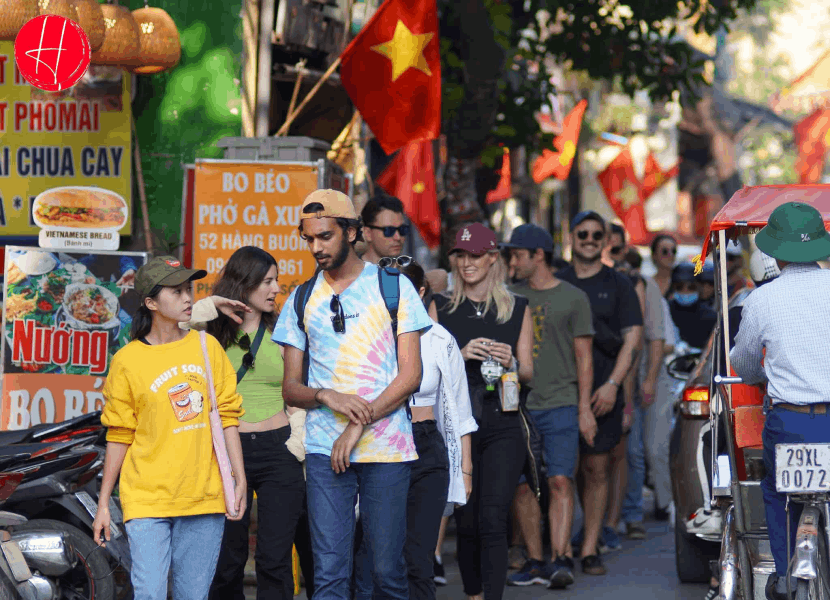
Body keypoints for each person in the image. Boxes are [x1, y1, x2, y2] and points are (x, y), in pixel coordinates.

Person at [274, 189, 432, 600]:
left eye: (325, 236)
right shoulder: (301, 298)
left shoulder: (393, 287)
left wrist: (355, 424)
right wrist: (327, 396)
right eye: (308, 239)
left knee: (386, 573)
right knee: (328, 575)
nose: (316, 247)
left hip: (387, 451)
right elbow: (291, 388)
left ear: (352, 231)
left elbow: (410, 375)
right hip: (326, 452)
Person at [92, 256, 246, 600]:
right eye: (176, 292)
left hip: (203, 496)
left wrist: (239, 477)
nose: (188, 298)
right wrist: (104, 503)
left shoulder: (207, 347)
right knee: (150, 593)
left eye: (188, 290)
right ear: (150, 303)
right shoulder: (128, 360)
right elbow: (119, 434)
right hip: (146, 498)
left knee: (193, 595)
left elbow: (227, 416)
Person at [177, 247, 307, 600]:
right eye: (267, 281)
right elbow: (166, 327)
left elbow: (300, 394)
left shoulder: (284, 332)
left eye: (276, 280)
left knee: (273, 559)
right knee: (226, 561)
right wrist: (210, 306)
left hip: (279, 451)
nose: (275, 288)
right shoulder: (207, 334)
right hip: (225, 454)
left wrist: (296, 440)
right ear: (244, 284)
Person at [354, 258, 477, 600]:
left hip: (426, 447)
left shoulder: (440, 339)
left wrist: (464, 471)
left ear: (421, 292)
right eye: (385, 289)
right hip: (376, 446)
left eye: (403, 289)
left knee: (419, 559)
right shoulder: (362, 337)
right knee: (376, 557)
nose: (392, 298)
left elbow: (461, 412)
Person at [729, 202, 830, 600]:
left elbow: (745, 363)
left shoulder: (762, 300)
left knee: (777, 492)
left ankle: (786, 574)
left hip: (790, 424)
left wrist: (758, 375)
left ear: (778, 252)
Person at [428, 222, 534, 600]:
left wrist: (511, 362)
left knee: (492, 518)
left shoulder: (516, 306)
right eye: (461, 254)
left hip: (503, 421)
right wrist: (459, 354)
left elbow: (529, 373)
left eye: (476, 255)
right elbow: (425, 372)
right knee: (467, 519)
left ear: (492, 259)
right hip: (458, 427)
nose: (468, 263)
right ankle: (473, 594)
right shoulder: (439, 306)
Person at [503, 224, 595, 590]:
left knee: (560, 479)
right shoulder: (509, 296)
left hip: (560, 401)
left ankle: (561, 558)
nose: (512, 261)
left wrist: (584, 408)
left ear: (538, 255)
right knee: (523, 486)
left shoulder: (573, 298)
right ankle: (536, 560)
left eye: (517, 255)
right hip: (519, 405)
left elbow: (584, 358)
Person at [556, 210, 643, 576]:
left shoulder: (619, 283)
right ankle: (569, 538)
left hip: (605, 387)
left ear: (605, 240)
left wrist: (613, 386)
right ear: (572, 237)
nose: (589, 240)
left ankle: (590, 547)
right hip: (562, 388)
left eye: (596, 235)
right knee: (565, 469)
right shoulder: (557, 281)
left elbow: (633, 338)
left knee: (597, 466)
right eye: (583, 234)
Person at [668, 262, 717, 349]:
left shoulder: (711, 317)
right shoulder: (665, 311)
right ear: (673, 287)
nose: (685, 291)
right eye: (680, 287)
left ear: (699, 287)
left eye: (691, 287)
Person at [360, 192, 409, 264]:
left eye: (402, 229)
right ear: (368, 233)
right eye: (389, 231)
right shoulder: (351, 273)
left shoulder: (410, 272)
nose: (398, 237)